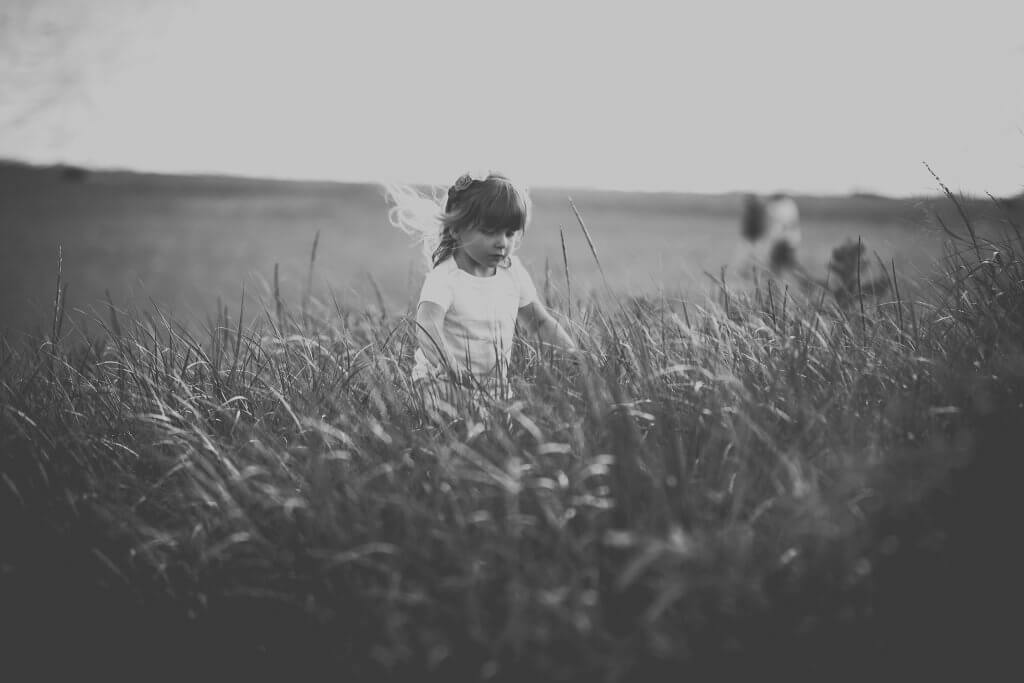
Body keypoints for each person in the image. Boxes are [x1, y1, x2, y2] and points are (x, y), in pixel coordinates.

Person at [385, 170, 577, 414]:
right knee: (456, 409)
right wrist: (448, 365)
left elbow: (539, 322)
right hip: (440, 381)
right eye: (489, 231)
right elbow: (427, 323)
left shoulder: (512, 271)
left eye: (509, 233)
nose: (502, 243)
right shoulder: (445, 277)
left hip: (492, 387)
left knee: (518, 418)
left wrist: (573, 354)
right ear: (456, 229)